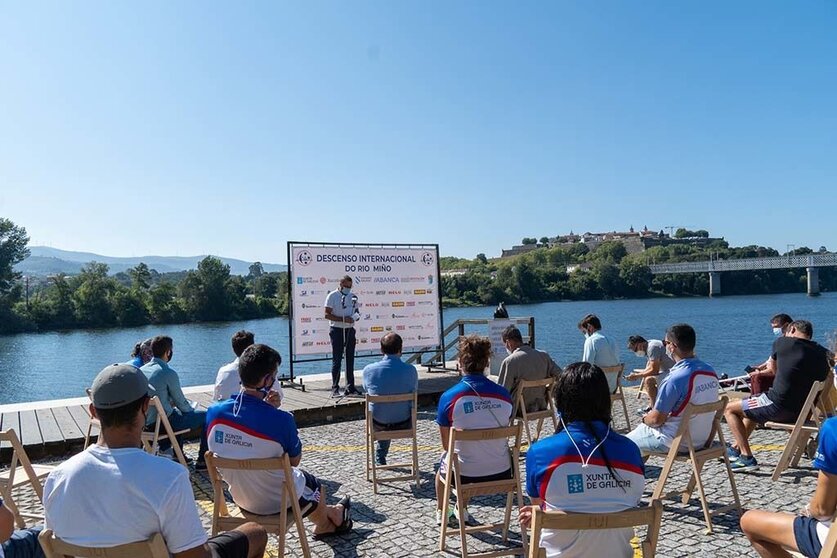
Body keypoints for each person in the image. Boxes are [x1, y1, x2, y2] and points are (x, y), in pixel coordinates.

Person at [43, 364, 267, 558]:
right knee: (255, 532)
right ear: (144, 406)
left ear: (93, 411)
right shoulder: (169, 477)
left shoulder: (57, 478)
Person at [207, 344, 353, 538]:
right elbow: (293, 461)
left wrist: (266, 410)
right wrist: (272, 412)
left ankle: (332, 514)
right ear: (267, 380)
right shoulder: (282, 420)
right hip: (278, 502)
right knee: (314, 485)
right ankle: (330, 519)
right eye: (274, 376)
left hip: (241, 499)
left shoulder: (213, 414)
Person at [520, 362, 645, 558]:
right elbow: (630, 500)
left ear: (561, 403)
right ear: (606, 401)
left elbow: (540, 506)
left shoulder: (540, 453)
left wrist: (538, 515)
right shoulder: (631, 451)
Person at [724, 319, 830, 472]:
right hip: (802, 411)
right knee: (751, 407)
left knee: (729, 409)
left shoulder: (782, 343)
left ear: (792, 329)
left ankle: (747, 458)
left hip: (778, 406)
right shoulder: (823, 353)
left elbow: (774, 371)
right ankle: (735, 448)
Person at [435, 335, 514, 527]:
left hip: (464, 475)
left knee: (445, 465)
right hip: (502, 471)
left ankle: (441, 510)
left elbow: (447, 445)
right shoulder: (504, 395)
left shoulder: (449, 398)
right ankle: (461, 509)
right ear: (487, 362)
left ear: (461, 362)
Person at [740, 415, 837, 557]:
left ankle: (742, 454)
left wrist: (810, 509)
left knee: (748, 521)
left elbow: (822, 510)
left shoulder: (833, 428)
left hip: (833, 541)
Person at [626, 324, 720, 456]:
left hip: (675, 441)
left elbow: (656, 420)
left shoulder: (675, 379)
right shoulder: (710, 370)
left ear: (672, 346)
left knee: (622, 444)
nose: (665, 347)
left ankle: (628, 475)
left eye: (665, 343)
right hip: (701, 440)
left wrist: (645, 419)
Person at [141, 335, 208, 471]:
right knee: (208, 416)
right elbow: (183, 406)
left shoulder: (141, 371)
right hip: (162, 425)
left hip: (146, 423)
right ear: (168, 352)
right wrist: (191, 410)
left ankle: (178, 454)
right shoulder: (167, 372)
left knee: (175, 414)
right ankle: (202, 461)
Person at [361, 333, 419, 466]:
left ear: (381, 350)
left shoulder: (369, 370)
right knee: (394, 406)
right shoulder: (411, 370)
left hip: (378, 423)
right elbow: (414, 390)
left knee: (382, 407)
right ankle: (380, 456)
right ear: (401, 349)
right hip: (404, 422)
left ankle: (380, 457)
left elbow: (367, 390)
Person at [497, 325, 561, 413]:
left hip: (520, 409)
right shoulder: (544, 356)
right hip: (541, 405)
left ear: (508, 343)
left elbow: (503, 392)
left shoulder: (510, 361)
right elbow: (560, 374)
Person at [214, 330, 284, 404]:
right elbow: (279, 396)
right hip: (257, 412)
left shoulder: (223, 371)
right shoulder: (265, 371)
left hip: (227, 412)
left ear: (233, 349)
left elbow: (216, 398)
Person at [324, 275, 361, 398]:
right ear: (340, 284)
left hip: (350, 330)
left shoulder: (353, 297)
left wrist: (354, 318)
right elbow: (327, 314)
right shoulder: (332, 296)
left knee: (350, 359)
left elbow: (357, 312)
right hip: (337, 330)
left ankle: (350, 386)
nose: (348, 289)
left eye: (350, 287)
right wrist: (342, 319)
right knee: (337, 359)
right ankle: (335, 388)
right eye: (346, 286)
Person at [746, 313, 793, 396]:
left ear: (786, 325)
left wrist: (759, 373)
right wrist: (759, 367)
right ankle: (753, 398)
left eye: (776, 327)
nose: (775, 330)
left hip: (780, 376)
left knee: (758, 377)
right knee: (754, 376)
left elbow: (774, 368)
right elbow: (771, 359)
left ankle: (759, 400)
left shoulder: (787, 343)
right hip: (773, 371)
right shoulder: (781, 341)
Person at [625, 335, 675, 411]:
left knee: (648, 380)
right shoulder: (650, 345)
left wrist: (637, 376)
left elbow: (654, 370)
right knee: (647, 378)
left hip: (672, 372)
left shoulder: (652, 348)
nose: (636, 352)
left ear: (640, 344)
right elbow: (650, 367)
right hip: (668, 371)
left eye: (635, 349)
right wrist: (637, 375)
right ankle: (653, 405)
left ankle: (654, 408)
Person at [578, 314, 621, 393]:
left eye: (584, 332)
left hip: (598, 387)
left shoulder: (591, 340)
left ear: (589, 327)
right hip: (612, 387)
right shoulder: (612, 340)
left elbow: (586, 366)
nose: (584, 334)